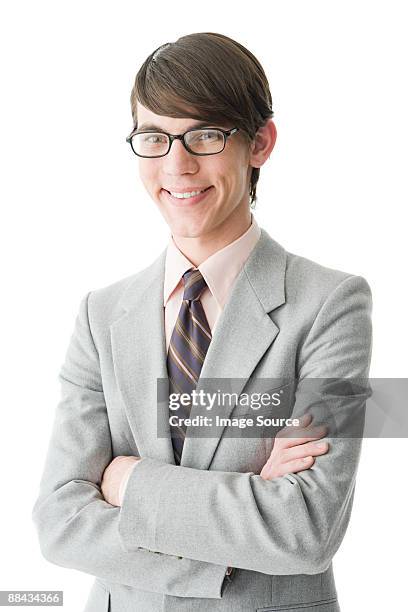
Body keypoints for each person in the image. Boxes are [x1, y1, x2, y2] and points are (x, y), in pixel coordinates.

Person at [32, 32, 372, 612]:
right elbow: (60, 521)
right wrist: (248, 503)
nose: (177, 165)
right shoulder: (101, 314)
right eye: (154, 138)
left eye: (206, 135)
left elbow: (306, 529)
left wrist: (128, 484)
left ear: (260, 143)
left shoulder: (332, 304)